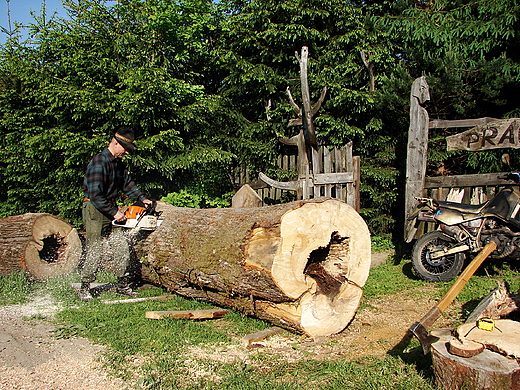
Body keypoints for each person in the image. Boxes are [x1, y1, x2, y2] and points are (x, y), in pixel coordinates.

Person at [79, 127, 152, 302]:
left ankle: (122, 284)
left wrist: (142, 199)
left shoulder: (118, 164)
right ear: (115, 143)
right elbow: (95, 194)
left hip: (111, 208)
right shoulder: (99, 162)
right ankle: (85, 286)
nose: (126, 152)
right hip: (95, 209)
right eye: (125, 148)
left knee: (121, 246)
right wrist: (115, 213)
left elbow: (127, 184)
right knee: (94, 249)